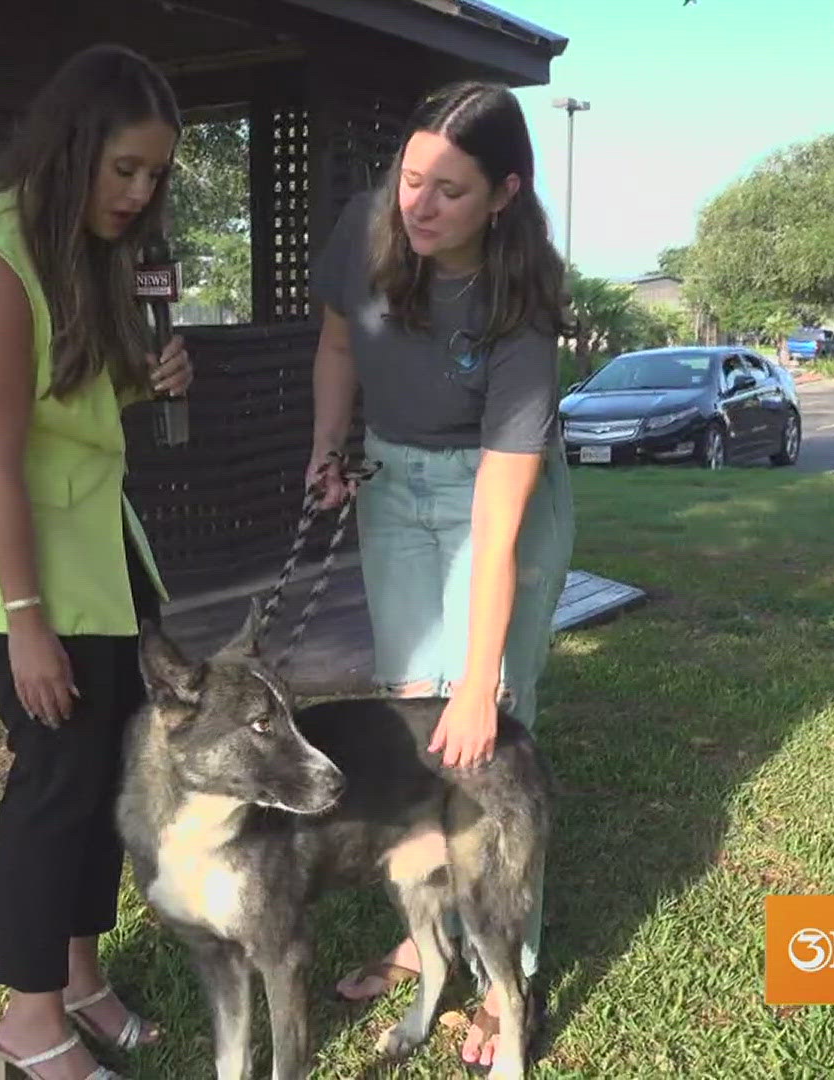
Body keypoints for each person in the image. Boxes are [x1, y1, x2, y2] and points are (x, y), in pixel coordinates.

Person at [0, 44, 190, 1080]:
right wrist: (26, 620)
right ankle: (24, 1027)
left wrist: (146, 379)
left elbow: (65, 408)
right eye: (124, 168)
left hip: (96, 551)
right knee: (55, 777)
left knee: (110, 766)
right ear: (73, 145)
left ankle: (78, 969)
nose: (139, 192)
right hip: (14, 564)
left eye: (156, 175)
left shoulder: (79, 247)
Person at [305, 81, 576, 1070]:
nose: (417, 206)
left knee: (486, 738)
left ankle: (512, 978)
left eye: (449, 192)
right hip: (392, 475)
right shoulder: (367, 227)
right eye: (410, 178)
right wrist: (330, 445)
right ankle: (431, 943)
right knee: (409, 725)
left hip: (495, 500)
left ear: (504, 195)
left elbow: (496, 525)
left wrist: (478, 678)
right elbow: (340, 343)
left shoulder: (523, 304)